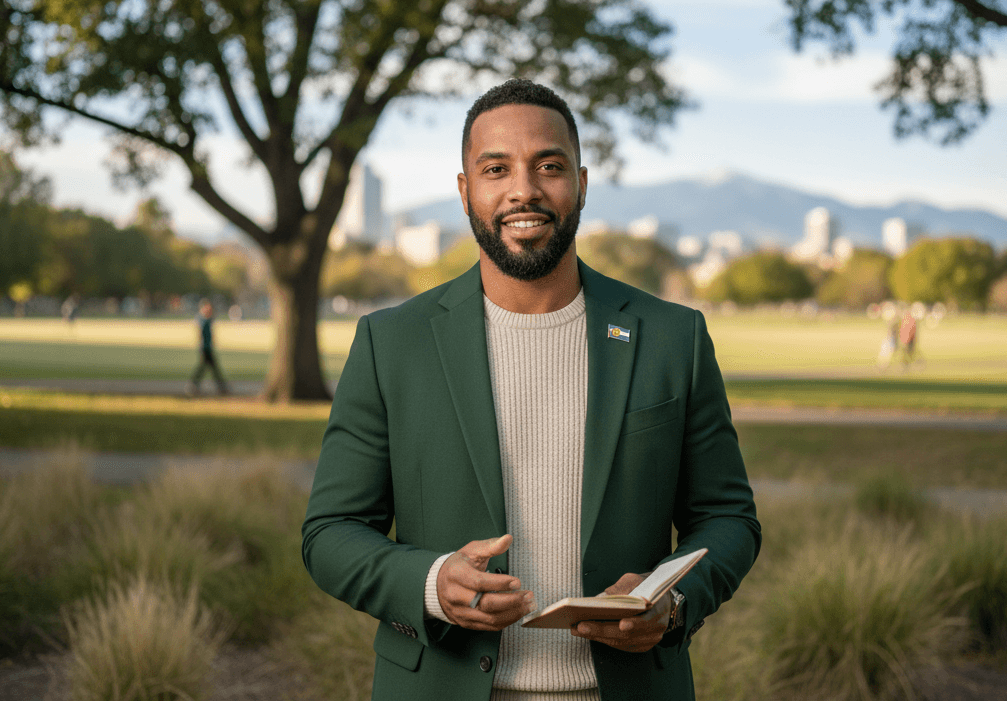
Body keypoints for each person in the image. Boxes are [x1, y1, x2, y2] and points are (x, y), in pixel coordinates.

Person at [302, 79, 760, 701]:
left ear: (581, 183)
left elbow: (728, 517)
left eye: (550, 166)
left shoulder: (672, 337)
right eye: (496, 169)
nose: (524, 188)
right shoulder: (391, 342)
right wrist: (432, 582)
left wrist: (672, 602)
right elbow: (330, 531)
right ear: (465, 191)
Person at [188, 300, 228, 396]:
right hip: (205, 347)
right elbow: (200, 333)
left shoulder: (207, 319)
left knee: (208, 368)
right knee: (211, 368)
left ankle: (194, 384)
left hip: (208, 347)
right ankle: (221, 387)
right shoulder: (202, 319)